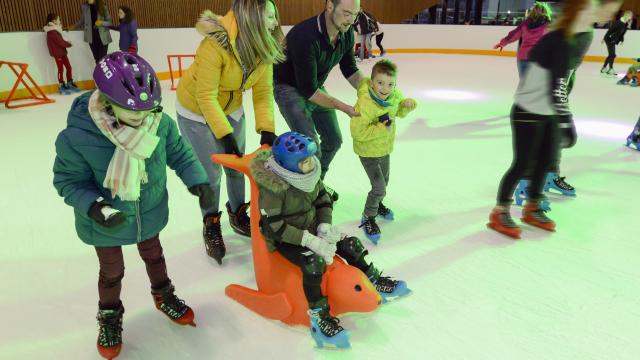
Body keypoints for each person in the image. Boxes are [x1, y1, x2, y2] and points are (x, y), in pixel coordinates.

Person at [53, 52, 215, 359]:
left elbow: (179, 153)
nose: (143, 118)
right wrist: (94, 207)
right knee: (112, 272)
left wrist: (198, 180)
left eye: (147, 109)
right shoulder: (78, 137)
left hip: (148, 211)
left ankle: (164, 295)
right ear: (107, 101)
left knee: (154, 256)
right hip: (105, 221)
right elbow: (67, 180)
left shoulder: (159, 123)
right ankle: (110, 316)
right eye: (133, 112)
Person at [252, 132, 410, 348]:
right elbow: (275, 227)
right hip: (286, 239)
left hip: (312, 228)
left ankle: (372, 278)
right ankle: (319, 314)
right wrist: (307, 240)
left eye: (310, 158)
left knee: (351, 244)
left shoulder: (308, 175)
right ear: (288, 165)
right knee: (314, 264)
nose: (310, 163)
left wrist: (324, 226)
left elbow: (323, 199)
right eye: (304, 161)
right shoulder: (273, 190)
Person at [487, 0, 624, 239]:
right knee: (523, 163)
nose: (613, 11)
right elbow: (557, 83)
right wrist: (566, 121)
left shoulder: (583, 34)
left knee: (545, 161)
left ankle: (532, 206)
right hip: (528, 110)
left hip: (548, 110)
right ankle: (500, 211)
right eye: (610, 5)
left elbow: (563, 81)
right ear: (588, 7)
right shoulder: (561, 39)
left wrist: (560, 118)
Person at [175, 0, 283, 263]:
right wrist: (225, 135)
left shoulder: (264, 45)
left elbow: (263, 93)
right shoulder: (214, 46)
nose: (275, 23)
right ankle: (211, 222)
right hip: (196, 113)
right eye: (269, 17)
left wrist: (267, 129)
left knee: (237, 167)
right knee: (210, 175)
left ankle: (237, 214)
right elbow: (206, 96)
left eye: (274, 16)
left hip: (231, 109)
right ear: (253, 20)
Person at [274, 0, 365, 202]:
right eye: (346, 13)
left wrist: (371, 92)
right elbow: (308, 91)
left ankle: (316, 187)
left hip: (313, 86)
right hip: (288, 87)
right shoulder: (305, 36)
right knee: (310, 145)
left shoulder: (346, 32)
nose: (351, 20)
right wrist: (344, 107)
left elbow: (350, 69)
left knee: (334, 139)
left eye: (355, 14)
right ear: (330, 6)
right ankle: (306, 195)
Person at [350, 60, 416, 244]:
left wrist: (406, 105)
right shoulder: (365, 104)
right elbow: (357, 132)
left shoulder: (394, 96)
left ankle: (377, 206)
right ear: (371, 83)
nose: (385, 88)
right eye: (380, 83)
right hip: (367, 152)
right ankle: (368, 217)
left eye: (390, 84)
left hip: (384, 149)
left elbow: (399, 113)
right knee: (379, 187)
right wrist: (380, 127)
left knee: (384, 183)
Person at [493, 2, 552, 78]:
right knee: (536, 84)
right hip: (539, 58)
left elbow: (512, 35)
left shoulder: (524, 24)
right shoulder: (548, 26)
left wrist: (502, 43)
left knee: (524, 84)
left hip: (523, 57)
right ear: (546, 12)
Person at [44, 13, 81, 94]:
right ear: (53, 20)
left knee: (69, 67)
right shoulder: (51, 31)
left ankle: (69, 82)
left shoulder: (56, 29)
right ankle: (61, 85)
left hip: (62, 52)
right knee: (61, 69)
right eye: (58, 19)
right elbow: (60, 42)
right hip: (57, 53)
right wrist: (69, 44)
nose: (59, 20)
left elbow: (60, 41)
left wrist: (66, 43)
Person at [600, 10, 633, 75]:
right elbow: (610, 30)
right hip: (609, 39)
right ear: (626, 15)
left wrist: (622, 40)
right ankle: (610, 69)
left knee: (611, 55)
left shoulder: (624, 24)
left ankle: (604, 68)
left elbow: (622, 33)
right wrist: (604, 38)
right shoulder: (618, 22)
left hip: (613, 40)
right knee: (612, 55)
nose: (631, 18)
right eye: (630, 16)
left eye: (631, 16)